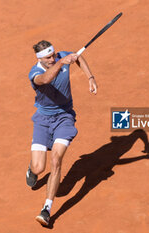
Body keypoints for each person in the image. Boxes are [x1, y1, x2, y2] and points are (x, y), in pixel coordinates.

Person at [26, 40, 97, 226]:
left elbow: (78, 57)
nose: (53, 58)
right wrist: (61, 62)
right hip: (42, 120)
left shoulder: (61, 56)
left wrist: (90, 77)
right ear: (40, 59)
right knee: (39, 168)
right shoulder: (35, 73)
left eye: (54, 54)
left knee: (56, 159)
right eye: (48, 57)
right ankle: (32, 169)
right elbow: (46, 79)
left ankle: (46, 209)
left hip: (65, 118)